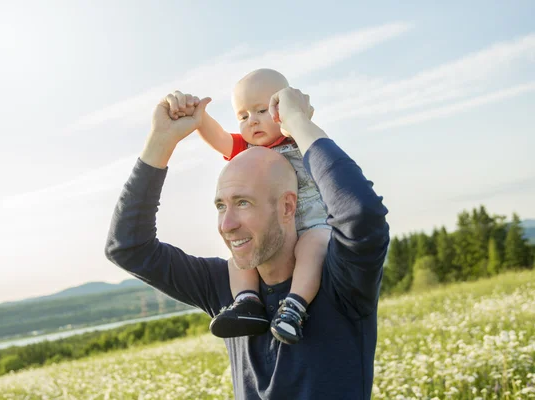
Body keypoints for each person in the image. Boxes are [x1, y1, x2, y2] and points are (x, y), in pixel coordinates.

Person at [105, 84, 389, 399]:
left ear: (287, 206)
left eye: (242, 203)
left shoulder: (343, 279)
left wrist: (298, 123)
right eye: (220, 205)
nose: (226, 225)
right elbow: (128, 247)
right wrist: (161, 141)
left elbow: (360, 214)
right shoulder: (226, 290)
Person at [173, 69, 331, 345]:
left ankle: (294, 306)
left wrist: (298, 121)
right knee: (239, 257)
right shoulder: (245, 150)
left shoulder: (299, 140)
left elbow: (325, 155)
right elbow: (219, 137)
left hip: (310, 224)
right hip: (267, 233)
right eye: (243, 116)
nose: (252, 122)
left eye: (261, 111)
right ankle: (247, 302)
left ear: (283, 108)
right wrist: (199, 119)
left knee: (315, 246)